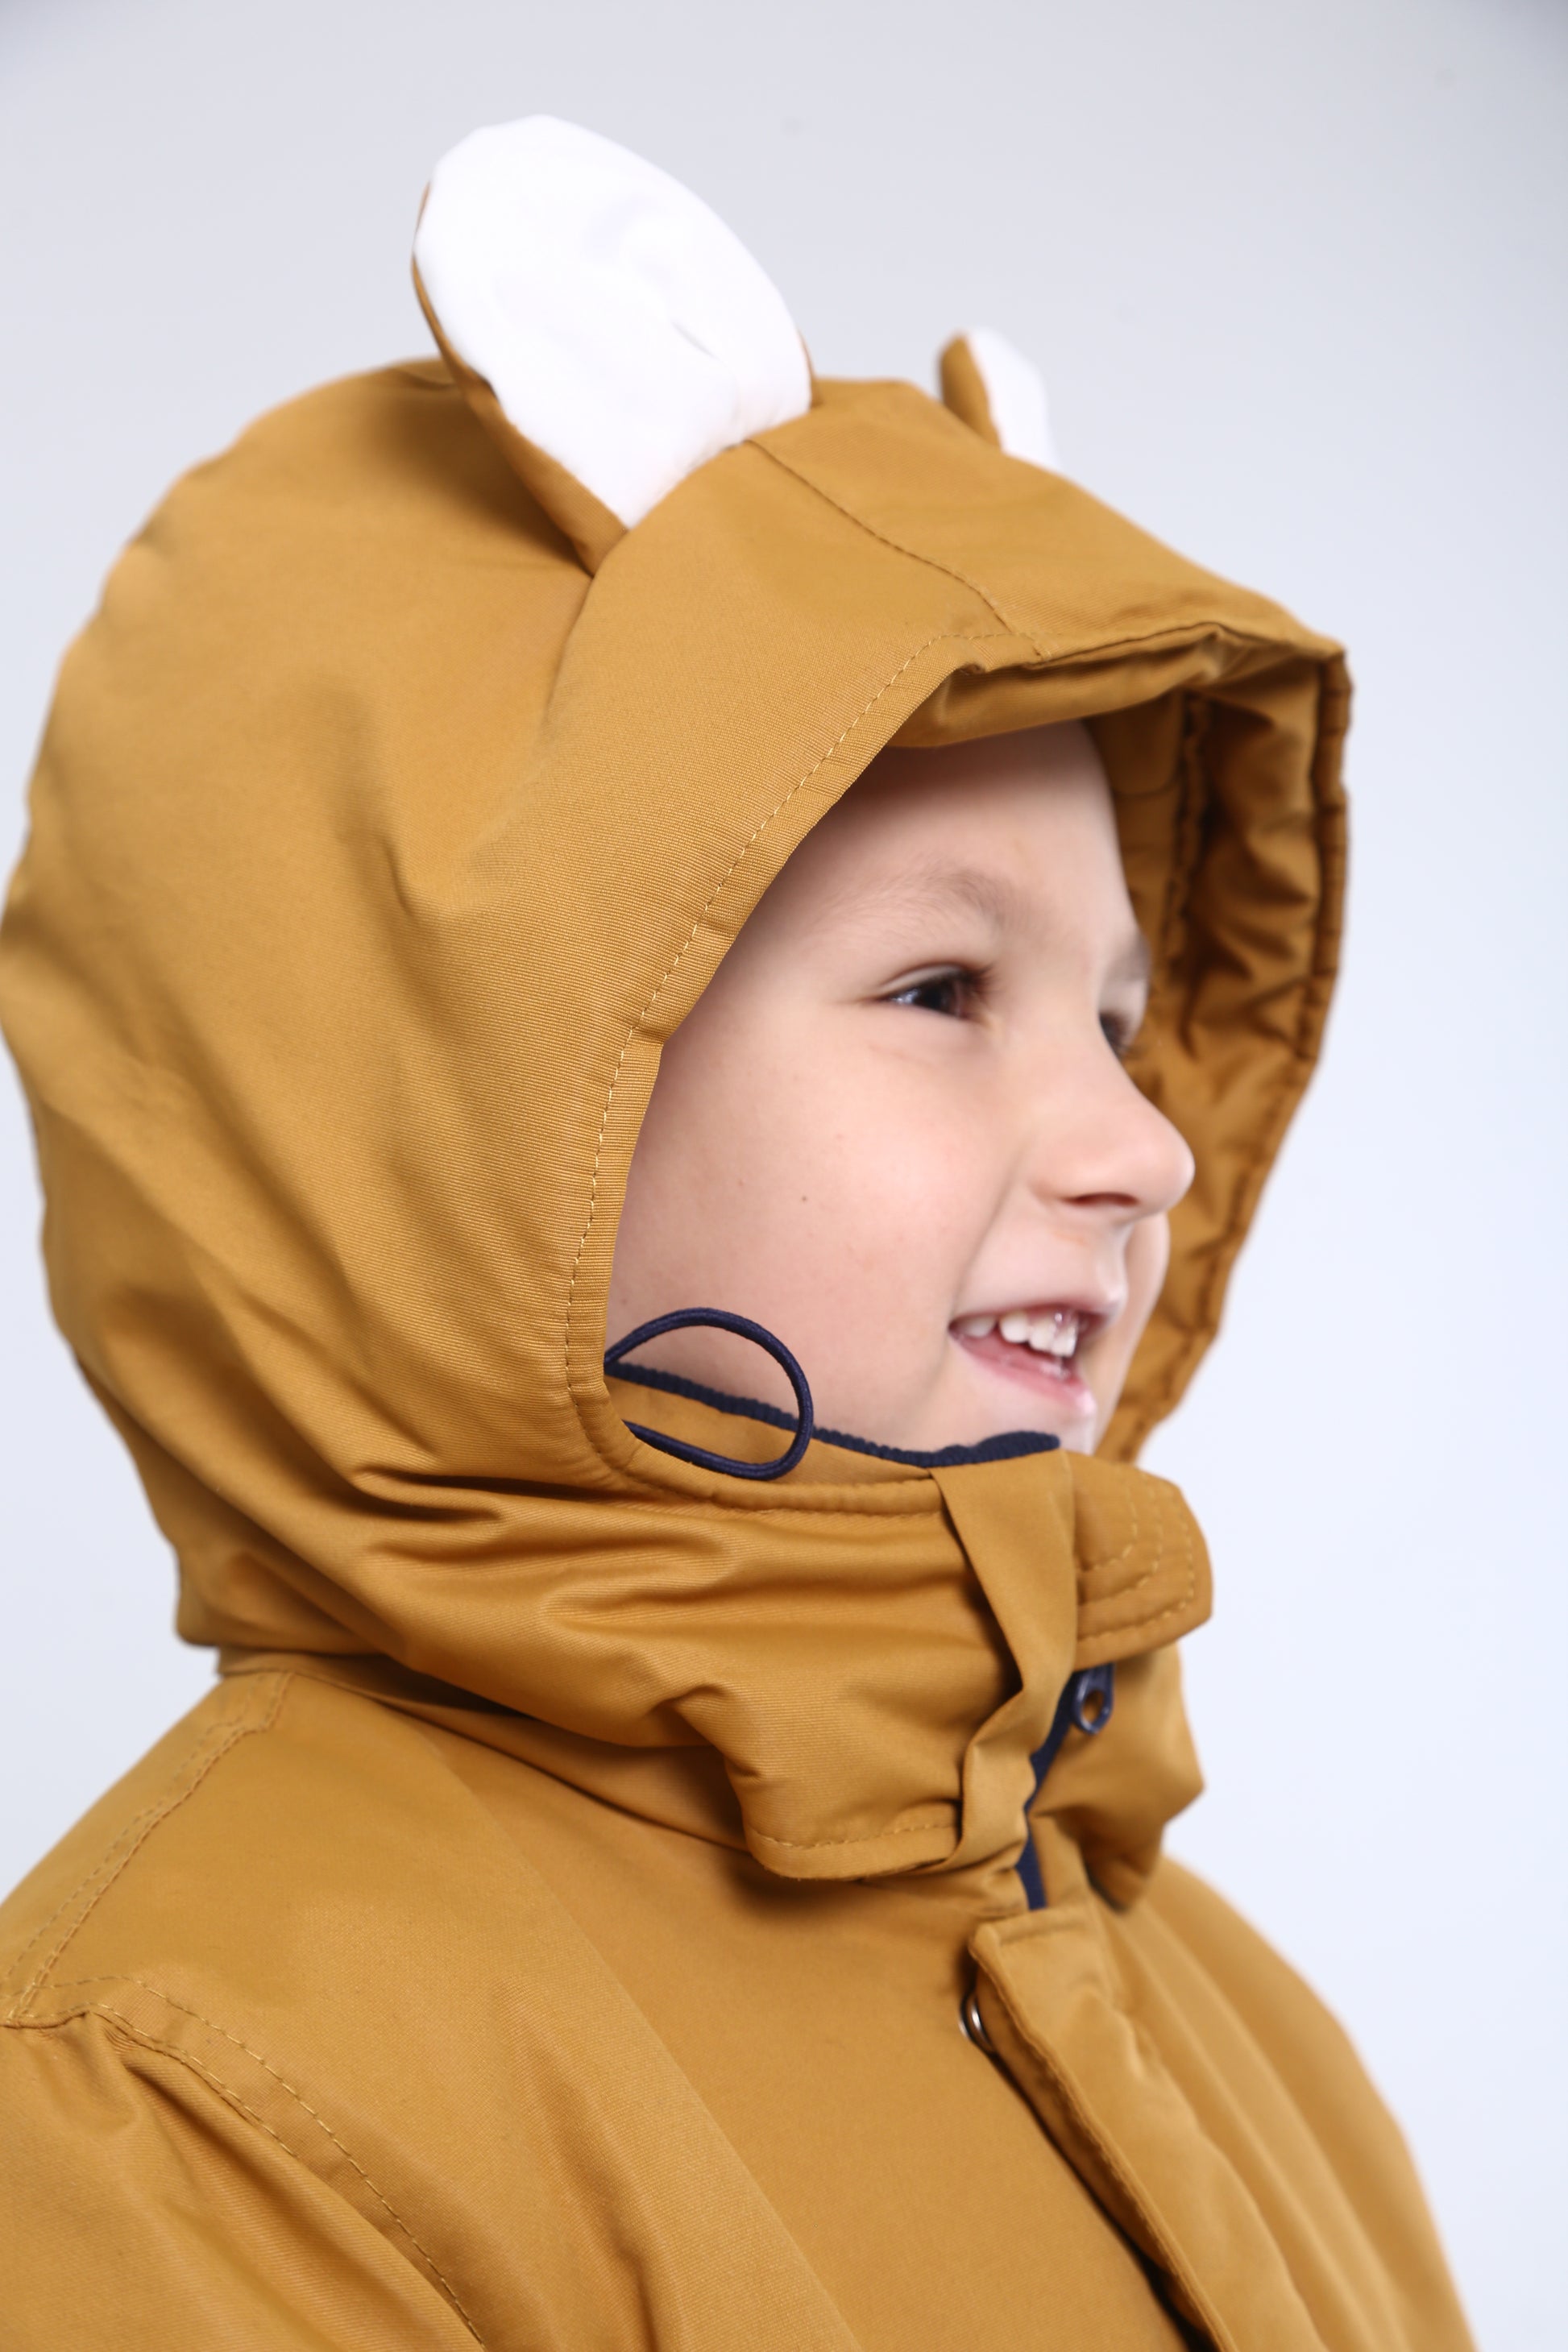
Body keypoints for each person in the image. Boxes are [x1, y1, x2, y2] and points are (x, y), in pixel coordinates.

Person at [0, 116, 1472, 2350]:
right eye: (939, 992)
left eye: (1114, 1016)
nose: (1141, 1147)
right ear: (445, 1106)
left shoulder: (1218, 2010)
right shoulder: (178, 2117)